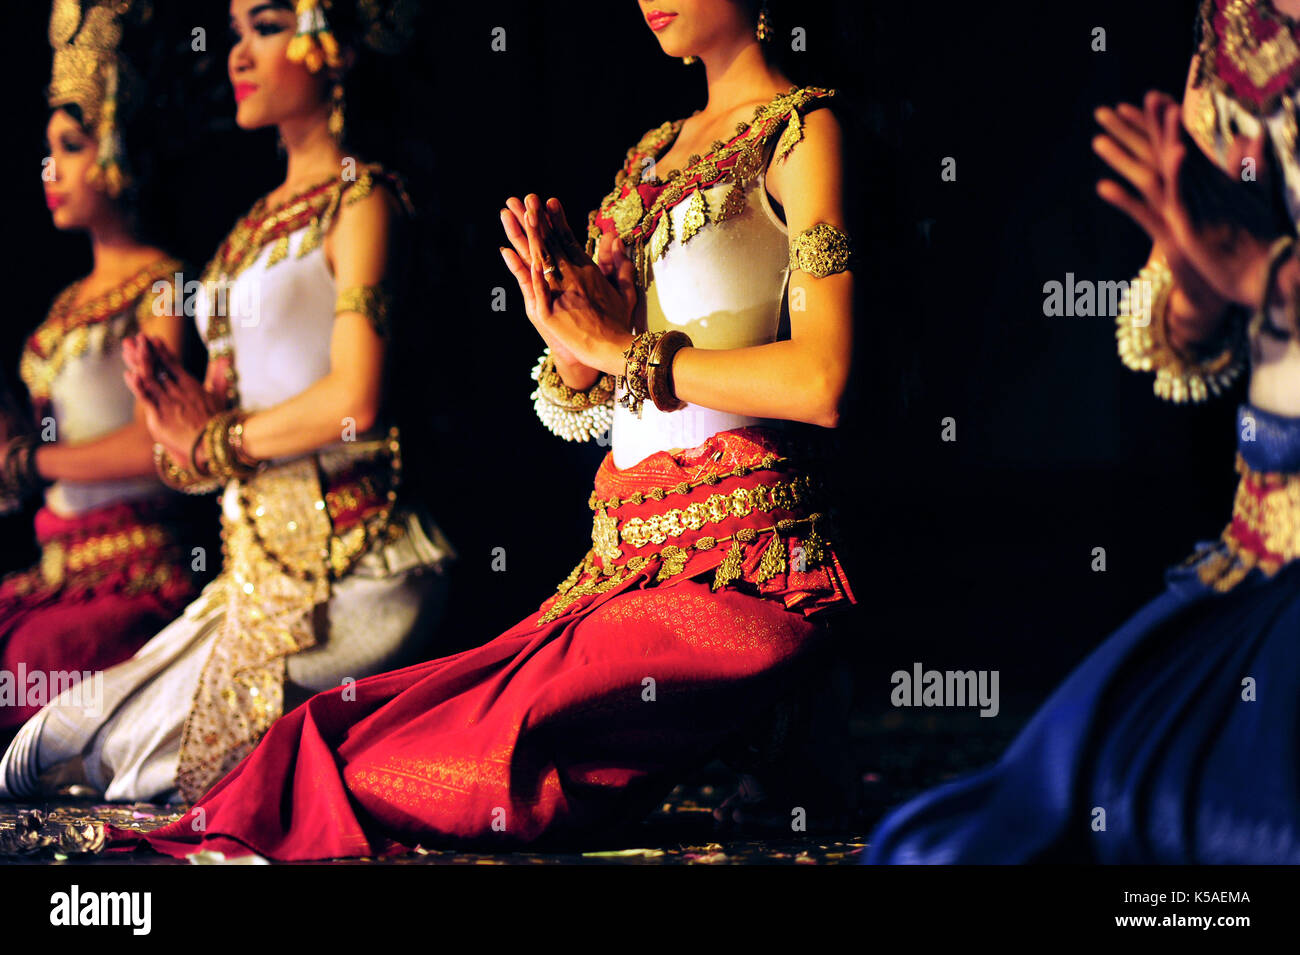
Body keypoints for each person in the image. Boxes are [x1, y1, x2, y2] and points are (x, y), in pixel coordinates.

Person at [112, 0, 859, 860]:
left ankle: (790, 719)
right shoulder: (651, 154)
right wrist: (577, 345)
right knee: (346, 734)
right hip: (620, 571)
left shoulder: (803, 134)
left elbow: (824, 381)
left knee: (459, 769)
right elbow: (589, 393)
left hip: (750, 577)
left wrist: (622, 346)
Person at [867, 0, 1300, 864]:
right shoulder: (1234, 27)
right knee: (1009, 825)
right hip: (1262, 554)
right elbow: (1182, 328)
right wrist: (1205, 286)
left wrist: (1271, 274)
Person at [0, 0, 454, 808]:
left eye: (268, 26)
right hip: (254, 577)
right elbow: (209, 437)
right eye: (238, 31)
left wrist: (212, 444)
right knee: (58, 740)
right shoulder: (244, 237)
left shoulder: (361, 203)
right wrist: (183, 432)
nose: (238, 53)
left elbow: (357, 399)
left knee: (131, 761)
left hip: (358, 568)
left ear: (334, 49)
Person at [0, 0, 200, 742]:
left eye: (74, 145)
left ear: (119, 147)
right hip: (56, 563)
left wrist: (31, 459)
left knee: (27, 662)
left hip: (139, 567)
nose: (51, 168)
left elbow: (161, 444)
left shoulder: (164, 285)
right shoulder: (61, 307)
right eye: (50, 147)